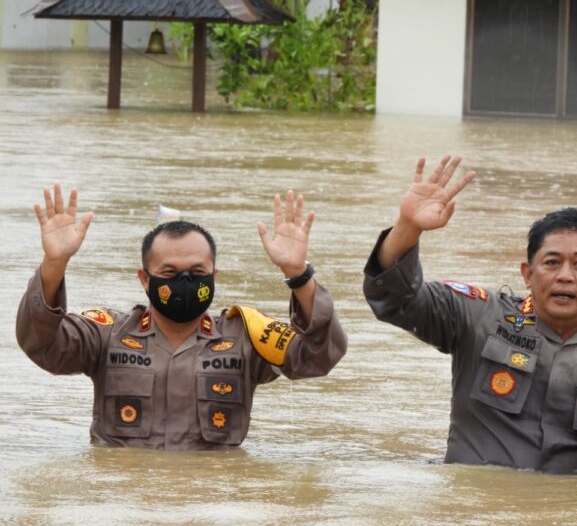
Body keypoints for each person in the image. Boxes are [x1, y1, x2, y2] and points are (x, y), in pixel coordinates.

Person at [363, 156, 577, 479]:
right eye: (552, 262)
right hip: (474, 517)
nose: (565, 276)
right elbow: (393, 300)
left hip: (571, 521)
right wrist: (408, 227)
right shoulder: (478, 316)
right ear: (528, 274)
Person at [17, 183, 347, 450]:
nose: (184, 282)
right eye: (170, 272)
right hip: (127, 504)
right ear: (145, 279)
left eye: (197, 272)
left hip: (211, 506)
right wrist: (54, 264)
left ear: (213, 276)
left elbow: (319, 357)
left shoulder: (248, 338)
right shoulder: (107, 334)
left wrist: (298, 274)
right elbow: (42, 344)